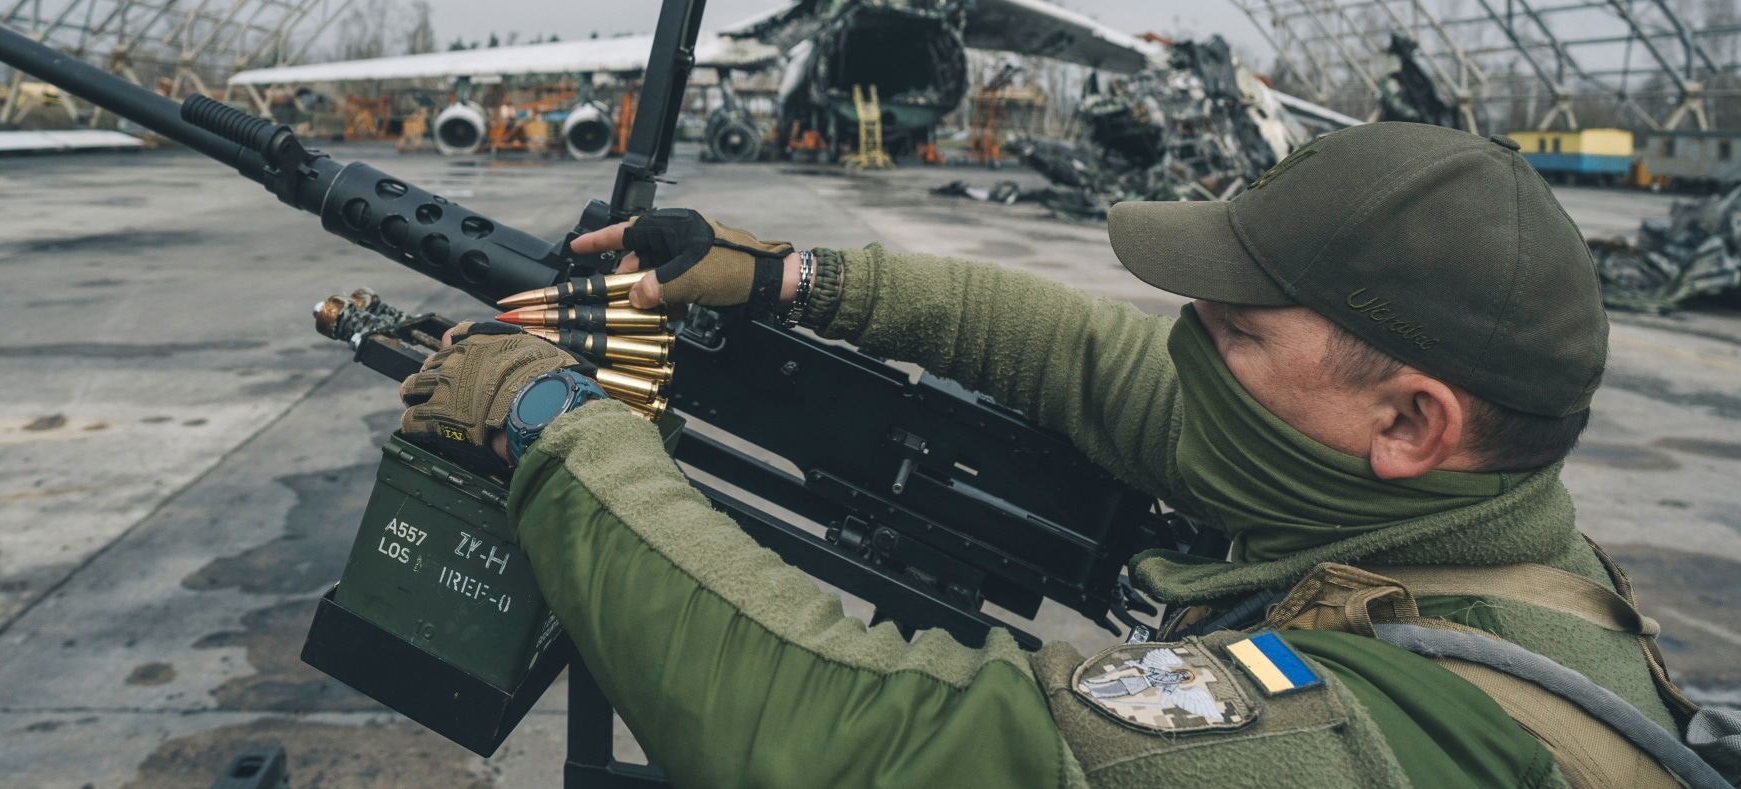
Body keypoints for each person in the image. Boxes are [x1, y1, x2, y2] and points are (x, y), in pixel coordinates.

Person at [398, 122, 1737, 788]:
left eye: (1232, 330)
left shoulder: (1380, 733)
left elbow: (859, 742)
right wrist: (789, 278)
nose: (1185, 351)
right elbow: (1088, 359)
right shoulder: (1434, 519)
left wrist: (563, 432)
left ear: (1409, 422)